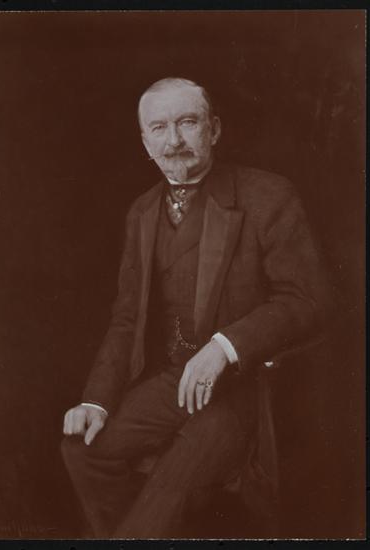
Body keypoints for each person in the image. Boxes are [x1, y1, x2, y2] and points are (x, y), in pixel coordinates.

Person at [61, 77, 328, 538]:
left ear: (214, 129)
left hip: (240, 391)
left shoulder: (268, 196)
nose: (174, 140)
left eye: (187, 122)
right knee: (82, 449)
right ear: (145, 142)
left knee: (163, 499)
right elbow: (126, 319)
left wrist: (225, 347)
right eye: (159, 128)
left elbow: (308, 300)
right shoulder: (142, 212)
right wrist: (96, 401)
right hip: (172, 384)